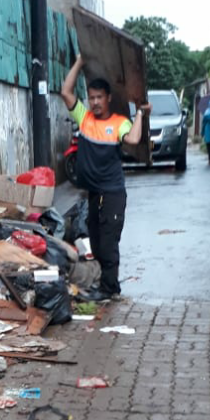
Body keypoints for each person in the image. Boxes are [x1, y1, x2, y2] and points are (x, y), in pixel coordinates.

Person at [60, 53, 149, 301]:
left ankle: (110, 289)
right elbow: (66, 92)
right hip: (94, 193)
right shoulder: (84, 118)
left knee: (109, 242)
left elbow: (132, 139)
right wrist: (78, 62)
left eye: (100, 97)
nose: (95, 102)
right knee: (96, 241)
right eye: (92, 98)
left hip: (112, 193)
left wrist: (139, 114)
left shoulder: (119, 122)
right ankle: (104, 285)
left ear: (108, 98)